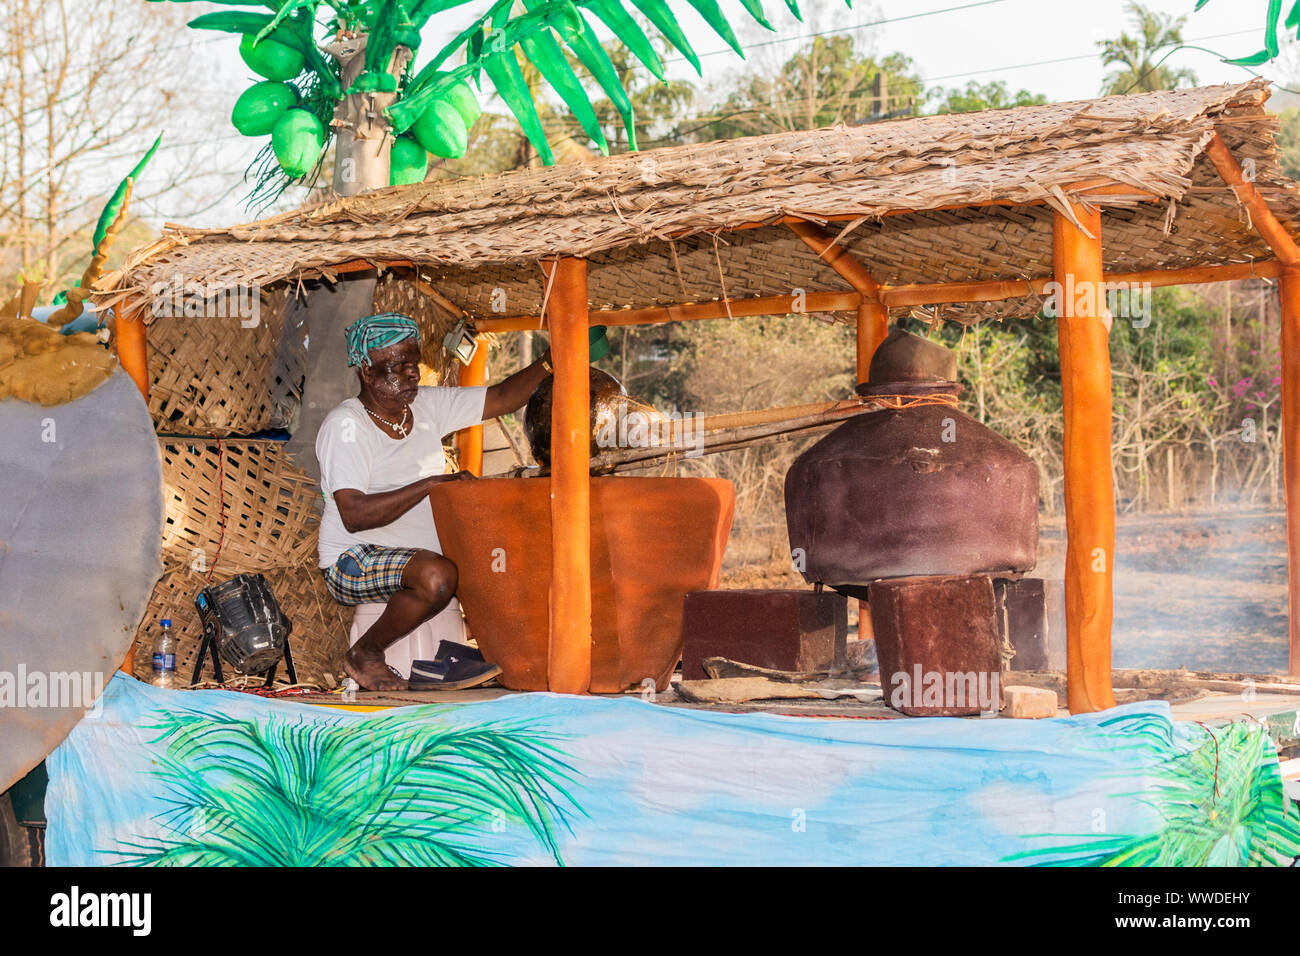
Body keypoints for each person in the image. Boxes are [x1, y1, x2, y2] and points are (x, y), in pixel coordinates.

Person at [316, 312, 553, 691]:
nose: (412, 375)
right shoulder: (347, 426)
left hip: (416, 556)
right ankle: (365, 653)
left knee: (504, 558)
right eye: (397, 366)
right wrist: (431, 484)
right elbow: (354, 515)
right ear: (366, 370)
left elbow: (502, 398)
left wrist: (552, 360)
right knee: (436, 576)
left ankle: (471, 656)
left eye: (414, 363)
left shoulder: (426, 405)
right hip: (352, 559)